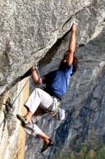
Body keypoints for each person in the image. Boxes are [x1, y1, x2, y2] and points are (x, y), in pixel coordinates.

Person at [17, 23, 78, 152]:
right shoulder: (54, 73)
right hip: (47, 103)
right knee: (25, 124)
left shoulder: (67, 71)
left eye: (66, 57)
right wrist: (32, 67)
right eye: (65, 57)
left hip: (53, 102)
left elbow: (72, 50)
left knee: (38, 93)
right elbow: (38, 80)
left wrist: (73, 32)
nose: (64, 58)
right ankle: (46, 139)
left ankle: (28, 117)